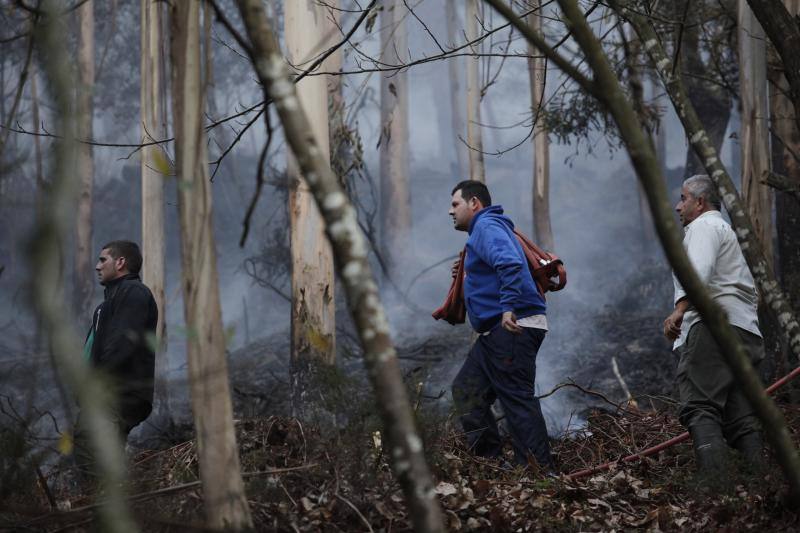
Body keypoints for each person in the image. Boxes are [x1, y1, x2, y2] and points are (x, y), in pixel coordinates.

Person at [448, 180, 554, 471]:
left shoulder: (487, 226)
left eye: (455, 204)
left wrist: (508, 308)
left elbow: (509, 264)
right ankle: (491, 464)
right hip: (495, 332)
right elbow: (497, 267)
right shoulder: (485, 231)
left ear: (474, 203)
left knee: (516, 400)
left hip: (511, 326)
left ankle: (539, 473)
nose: (450, 211)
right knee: (467, 391)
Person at [663, 175, 764, 473]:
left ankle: (717, 490)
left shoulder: (704, 226)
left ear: (700, 202)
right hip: (745, 332)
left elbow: (698, 272)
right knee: (742, 418)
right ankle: (761, 489)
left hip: (714, 328)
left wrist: (679, 310)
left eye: (683, 199)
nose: (678, 207)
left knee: (700, 406)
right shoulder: (724, 229)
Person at [76, 240, 158, 471]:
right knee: (97, 454)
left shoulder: (134, 292)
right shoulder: (108, 303)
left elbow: (122, 343)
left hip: (117, 391)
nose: (97, 266)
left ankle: (102, 504)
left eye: (103, 260)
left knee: (91, 451)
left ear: (121, 262)